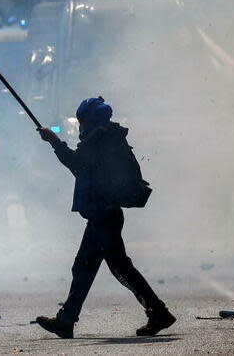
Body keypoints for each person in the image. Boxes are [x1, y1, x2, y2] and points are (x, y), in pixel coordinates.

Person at [34, 96, 175, 338]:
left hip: (103, 215)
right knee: (103, 267)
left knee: (92, 268)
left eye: (81, 121)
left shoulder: (99, 141)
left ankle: (68, 320)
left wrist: (54, 141)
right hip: (106, 214)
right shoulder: (109, 136)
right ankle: (68, 319)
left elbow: (75, 163)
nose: (80, 127)